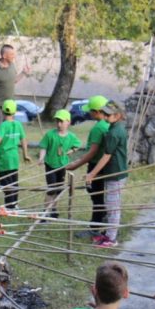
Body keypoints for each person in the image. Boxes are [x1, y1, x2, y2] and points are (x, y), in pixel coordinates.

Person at [65, 95, 110, 239]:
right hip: (105, 166)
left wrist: (75, 165)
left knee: (97, 198)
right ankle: (103, 220)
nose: (88, 113)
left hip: (96, 165)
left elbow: (92, 152)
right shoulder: (108, 125)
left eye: (90, 110)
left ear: (97, 111)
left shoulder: (98, 128)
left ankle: (95, 228)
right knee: (99, 197)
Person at [85, 102, 128, 249]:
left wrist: (92, 173)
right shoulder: (115, 127)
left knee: (113, 207)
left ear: (118, 116)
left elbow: (106, 155)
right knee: (109, 205)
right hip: (113, 172)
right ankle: (108, 233)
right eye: (104, 113)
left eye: (108, 114)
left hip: (115, 173)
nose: (104, 116)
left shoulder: (114, 132)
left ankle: (111, 238)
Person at [0, 44, 30, 164]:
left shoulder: (12, 66)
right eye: (11, 54)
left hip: (10, 106)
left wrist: (23, 73)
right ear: (4, 55)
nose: (14, 56)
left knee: (6, 131)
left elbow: (14, 81)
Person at [0, 99, 30, 210]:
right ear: (15, 112)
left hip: (4, 160)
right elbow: (23, 139)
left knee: (5, 184)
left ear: (2, 112)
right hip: (14, 159)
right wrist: (25, 154)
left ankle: (9, 205)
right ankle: (14, 203)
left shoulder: (3, 125)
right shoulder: (18, 125)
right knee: (14, 182)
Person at [37, 109, 82, 217]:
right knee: (52, 188)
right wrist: (41, 158)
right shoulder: (50, 135)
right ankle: (45, 212)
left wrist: (70, 151)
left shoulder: (71, 137)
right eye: (57, 121)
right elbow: (43, 147)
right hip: (50, 165)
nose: (59, 124)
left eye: (61, 121)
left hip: (62, 166)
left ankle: (53, 209)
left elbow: (77, 145)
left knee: (58, 188)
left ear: (68, 122)